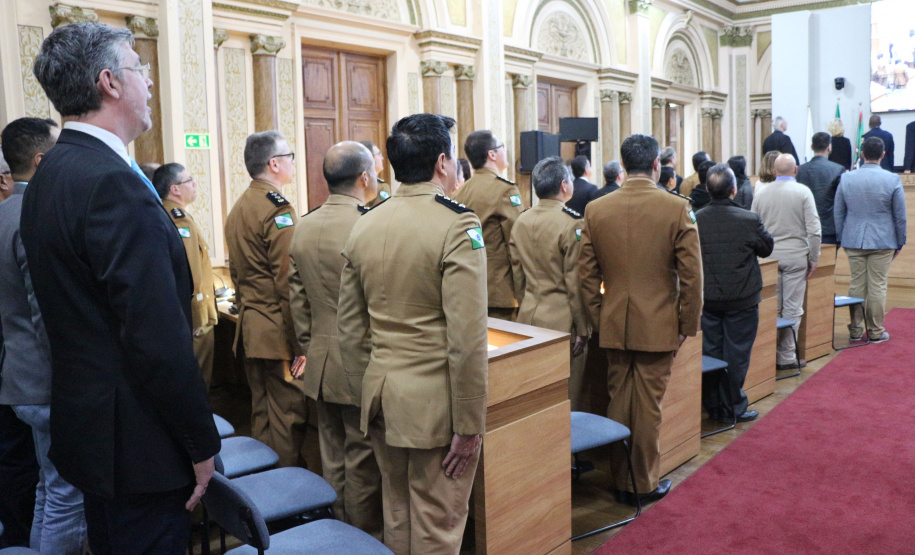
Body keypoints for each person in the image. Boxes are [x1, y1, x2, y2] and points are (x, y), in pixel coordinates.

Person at [22, 22, 220, 553]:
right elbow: (155, 337)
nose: (149, 81)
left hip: (93, 431)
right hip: (139, 444)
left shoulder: (52, 172)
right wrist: (200, 443)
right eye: (139, 68)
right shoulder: (112, 183)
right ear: (109, 82)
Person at [338, 114, 487, 554]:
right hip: (435, 408)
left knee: (398, 515)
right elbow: (467, 338)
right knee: (438, 525)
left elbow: (350, 329)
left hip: (381, 396)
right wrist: (470, 423)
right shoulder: (457, 223)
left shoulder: (366, 222)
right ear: (442, 163)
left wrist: (365, 394)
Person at [578, 134, 702, 507]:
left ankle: (620, 478)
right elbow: (692, 276)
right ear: (656, 165)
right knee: (648, 406)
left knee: (619, 400)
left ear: (623, 164)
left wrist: (601, 318)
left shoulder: (596, 209)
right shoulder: (677, 208)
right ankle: (642, 484)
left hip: (614, 322)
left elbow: (586, 277)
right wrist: (686, 326)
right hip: (659, 324)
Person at [288, 141, 383, 538]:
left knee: (332, 453)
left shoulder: (304, 224)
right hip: (361, 359)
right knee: (362, 459)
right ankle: (361, 538)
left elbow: (298, 300)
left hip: (321, 360)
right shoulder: (369, 223)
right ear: (363, 177)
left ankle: (336, 533)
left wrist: (309, 348)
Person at [0, 117, 86, 554]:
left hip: (21, 375)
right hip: (47, 382)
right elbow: (45, 313)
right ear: (40, 160)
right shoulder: (33, 215)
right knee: (68, 496)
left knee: (49, 490)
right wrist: (74, 382)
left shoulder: (5, 212)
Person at [225, 130, 307, 468]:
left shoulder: (240, 206)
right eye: (290, 157)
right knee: (287, 418)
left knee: (262, 415)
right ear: (274, 163)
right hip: (276, 335)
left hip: (250, 329)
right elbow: (288, 283)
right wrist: (300, 344)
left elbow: (236, 274)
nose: (292, 163)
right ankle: (287, 492)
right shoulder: (277, 208)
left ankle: (261, 486)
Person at [695, 164, 774, 424]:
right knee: (737, 356)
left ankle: (713, 406)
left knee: (711, 353)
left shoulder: (696, 219)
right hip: (742, 298)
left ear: (708, 190)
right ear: (734, 190)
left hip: (708, 299)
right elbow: (767, 248)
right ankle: (733, 407)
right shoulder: (748, 219)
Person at [509, 156, 589, 410]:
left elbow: (517, 274)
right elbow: (574, 282)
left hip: (528, 315)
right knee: (565, 397)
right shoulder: (571, 222)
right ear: (564, 185)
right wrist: (583, 327)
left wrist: (525, 303)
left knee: (533, 396)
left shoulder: (522, 220)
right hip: (562, 321)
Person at [751, 154, 821, 370]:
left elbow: (752, 227)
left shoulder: (761, 193)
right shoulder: (803, 192)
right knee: (792, 309)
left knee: (770, 308)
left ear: (774, 172)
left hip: (767, 258)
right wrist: (814, 258)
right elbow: (814, 231)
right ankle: (786, 356)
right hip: (795, 257)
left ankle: (766, 357)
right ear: (795, 170)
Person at [835, 137, 907, 343]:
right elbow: (900, 215)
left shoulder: (846, 178)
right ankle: (875, 331)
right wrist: (900, 241)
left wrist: (842, 237)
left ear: (862, 154)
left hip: (853, 238)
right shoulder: (892, 179)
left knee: (856, 284)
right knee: (877, 285)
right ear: (883, 155)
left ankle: (855, 329)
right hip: (883, 240)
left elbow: (838, 212)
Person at [153, 163, 219, 386]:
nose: (195, 184)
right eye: (189, 180)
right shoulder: (179, 219)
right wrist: (196, 315)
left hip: (180, 314)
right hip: (194, 316)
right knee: (197, 381)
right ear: (175, 189)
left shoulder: (163, 213)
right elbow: (190, 271)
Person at [454, 129, 521, 320]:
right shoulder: (505, 190)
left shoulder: (460, 192)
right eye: (502, 147)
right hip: (500, 292)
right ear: (492, 154)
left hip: (468, 288)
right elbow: (517, 242)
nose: (505, 151)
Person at [797, 132, 846, 244]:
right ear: (829, 147)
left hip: (804, 228)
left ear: (811, 147)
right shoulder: (838, 170)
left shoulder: (799, 170)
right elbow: (842, 200)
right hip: (829, 230)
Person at [360, 140, 390, 208]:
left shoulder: (351, 183)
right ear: (370, 158)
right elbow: (381, 211)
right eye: (379, 154)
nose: (382, 158)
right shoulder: (382, 187)